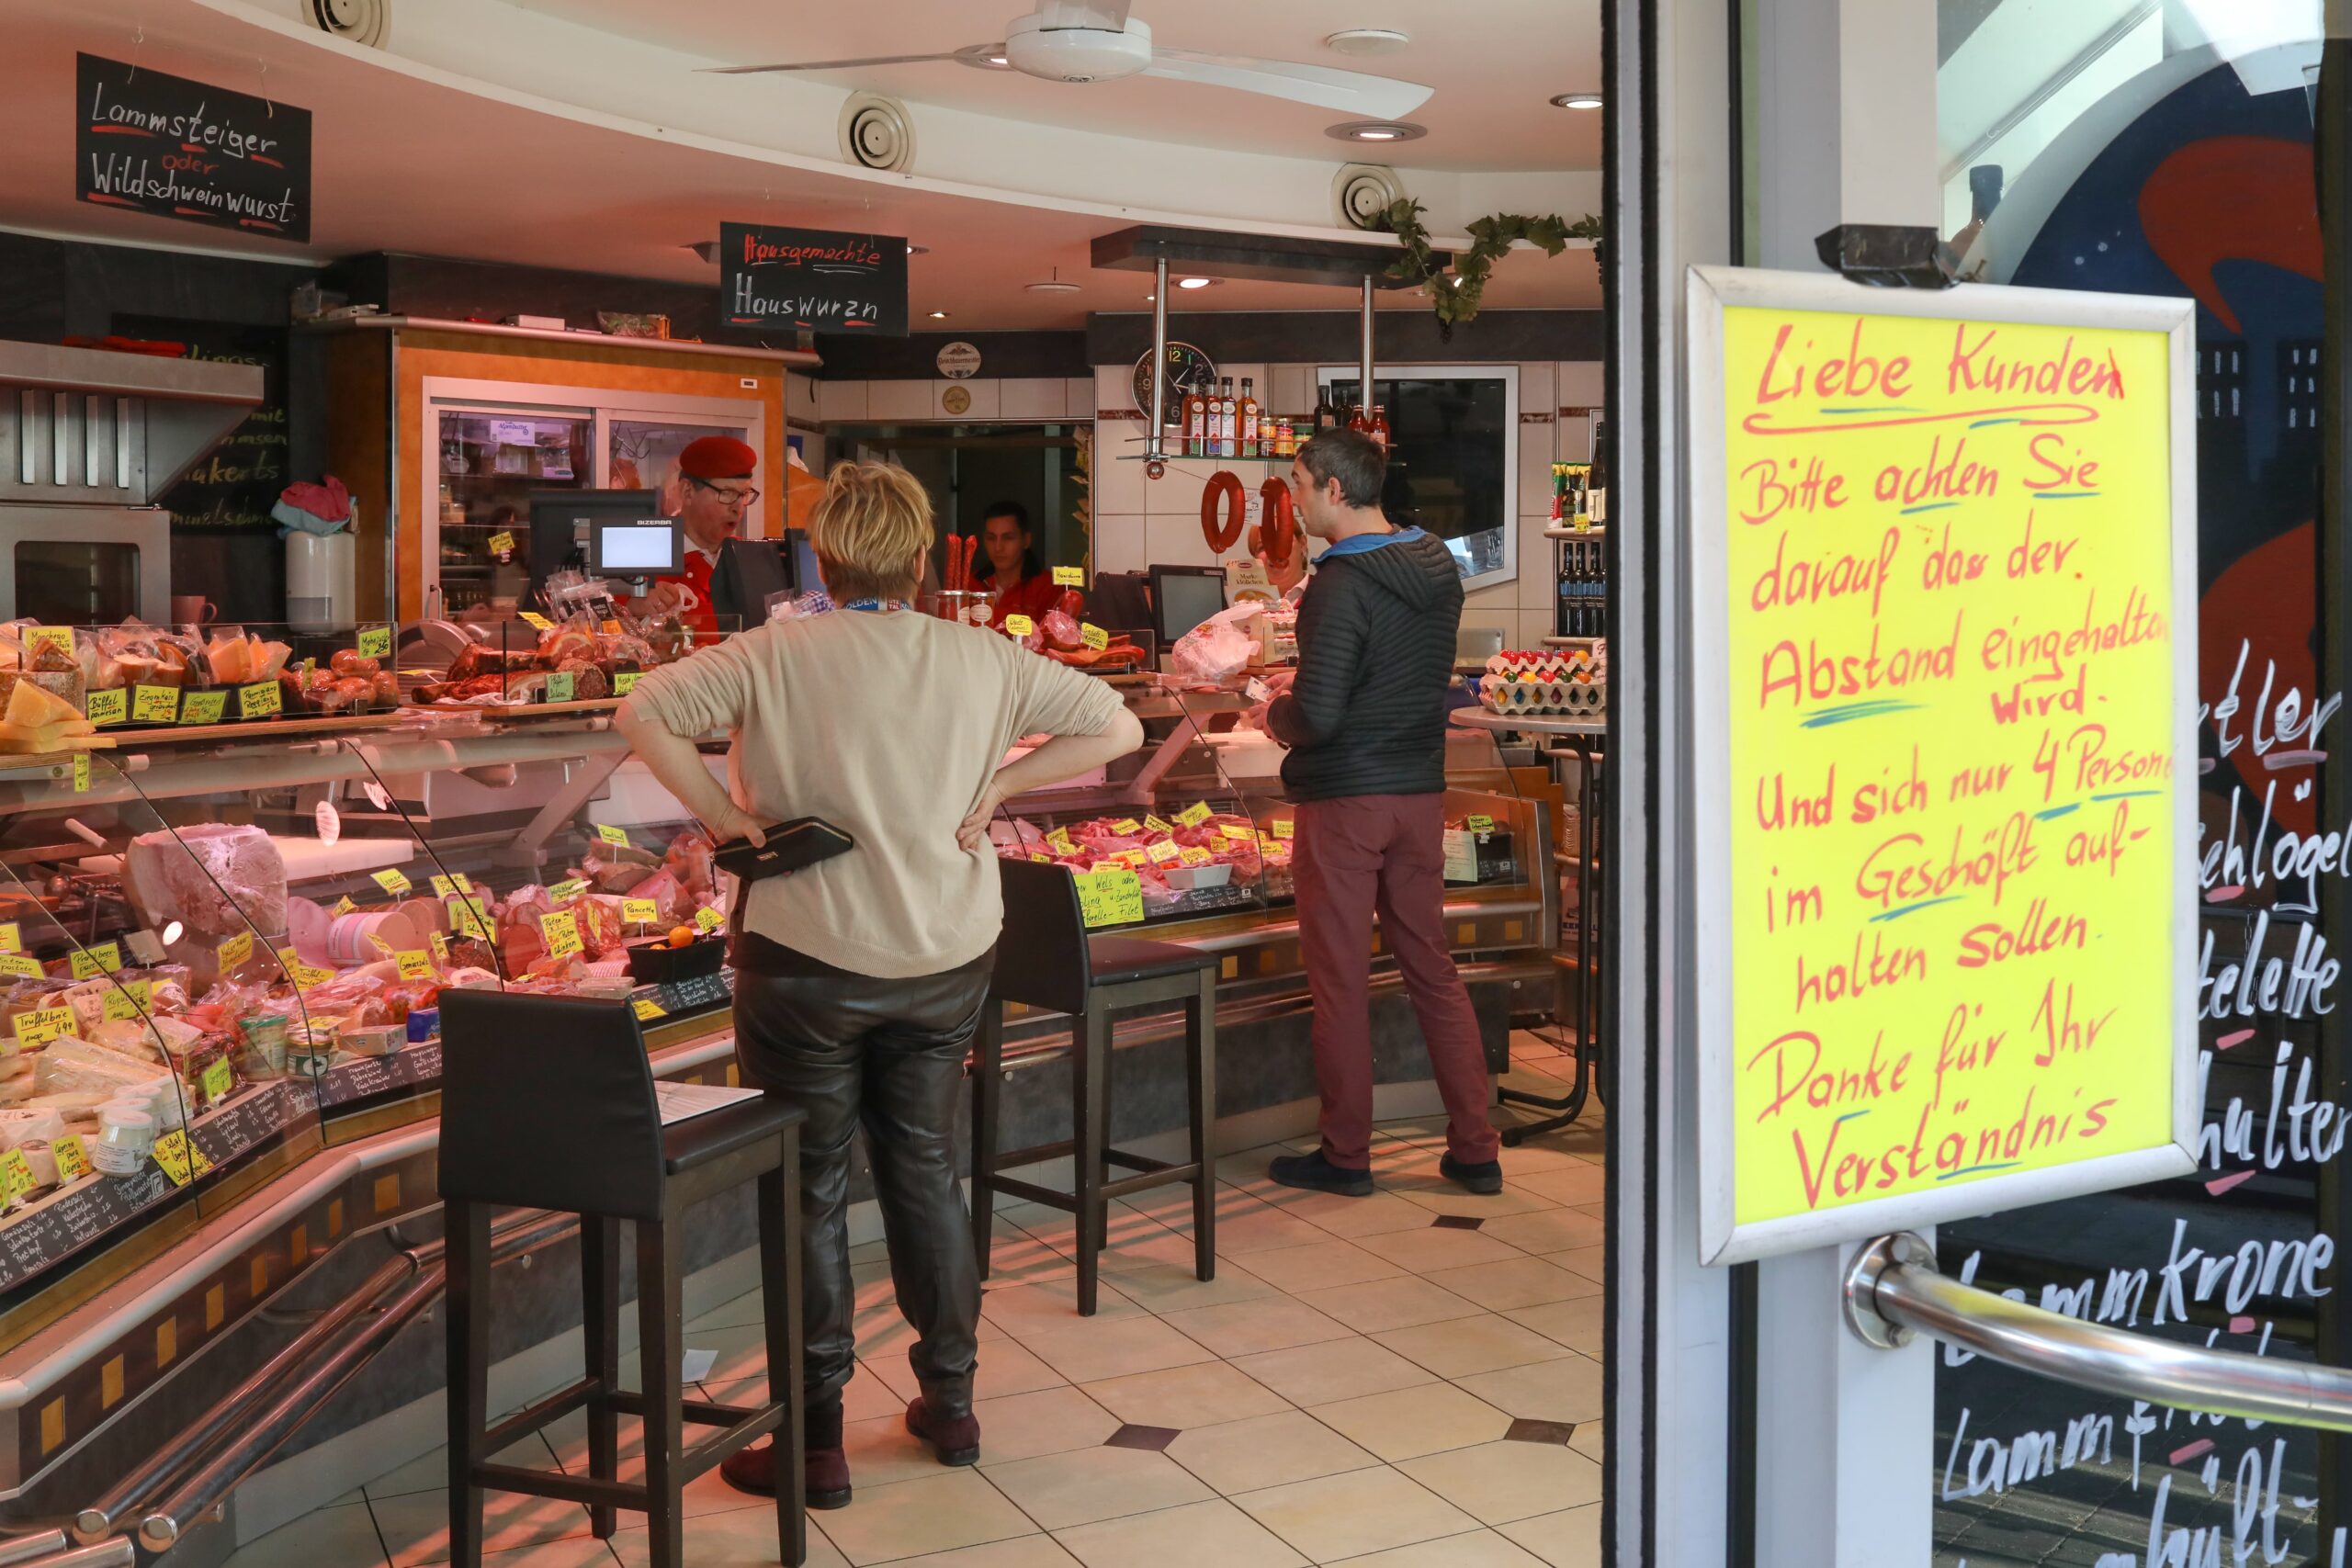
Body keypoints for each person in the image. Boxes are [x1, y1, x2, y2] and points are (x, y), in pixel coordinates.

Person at [616, 461, 1145, 1507]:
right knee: (925, 1170)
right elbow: (1117, 728)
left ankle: (815, 1441)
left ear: (822, 554)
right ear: (916, 557)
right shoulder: (982, 655)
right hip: (946, 956)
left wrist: (726, 820)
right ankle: (949, 1401)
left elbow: (643, 713)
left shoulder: (771, 651)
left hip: (805, 960)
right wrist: (1002, 780)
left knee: (809, 1190)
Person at [1259, 429, 1504, 1199]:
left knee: (1340, 983)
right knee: (1431, 966)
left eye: (1298, 483)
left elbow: (1320, 713)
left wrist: (1273, 711)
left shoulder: (1339, 583)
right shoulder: (1437, 566)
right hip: (1418, 794)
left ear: (1334, 488)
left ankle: (1346, 1154)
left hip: (1346, 803)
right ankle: (1476, 1147)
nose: (1293, 500)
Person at [644, 434, 760, 640]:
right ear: (688, 491)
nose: (738, 507)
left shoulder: (753, 560)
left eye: (744, 494)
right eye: (727, 493)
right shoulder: (642, 561)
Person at [971, 501, 1061, 625]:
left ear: (1026, 540)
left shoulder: (1049, 588)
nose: (998, 547)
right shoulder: (970, 584)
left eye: (1008, 538)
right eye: (991, 538)